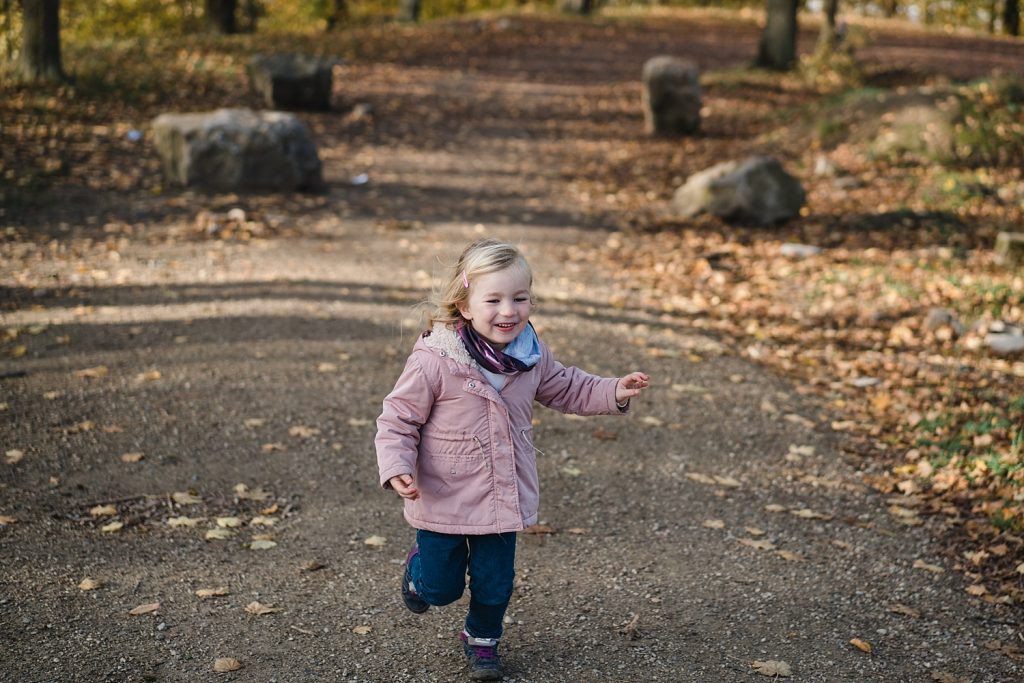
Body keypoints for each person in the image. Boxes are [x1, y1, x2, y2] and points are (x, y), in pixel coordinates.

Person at [375, 238, 650, 681]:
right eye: (494, 299)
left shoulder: (530, 355)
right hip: (443, 495)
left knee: (495, 582)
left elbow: (567, 386)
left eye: (520, 298)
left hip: (502, 494)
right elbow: (398, 419)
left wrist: (612, 390)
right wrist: (397, 466)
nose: (509, 310)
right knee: (440, 588)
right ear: (464, 306)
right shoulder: (435, 360)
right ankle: (418, 572)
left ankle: (482, 640)